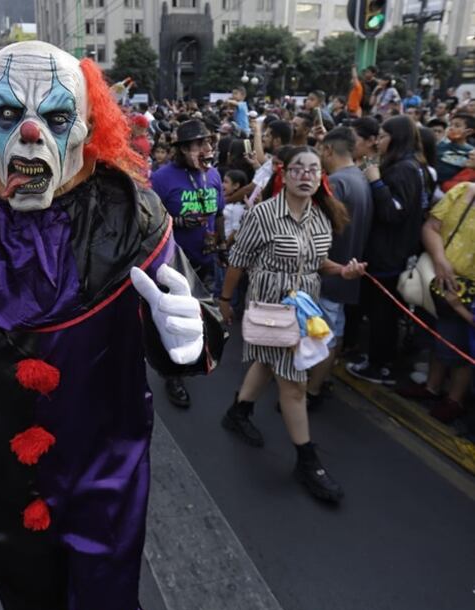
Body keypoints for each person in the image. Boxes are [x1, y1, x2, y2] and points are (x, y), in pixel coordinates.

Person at [0, 42, 223, 610]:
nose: (29, 134)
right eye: (7, 115)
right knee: (28, 606)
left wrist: (186, 339)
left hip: (106, 466)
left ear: (85, 125)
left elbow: (178, 306)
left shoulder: (132, 211)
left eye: (54, 117)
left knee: (107, 606)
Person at [218, 146, 365, 503]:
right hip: (271, 304)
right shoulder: (264, 214)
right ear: (285, 175)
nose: (306, 175)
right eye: (298, 169)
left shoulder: (321, 218)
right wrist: (224, 300)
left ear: (321, 178)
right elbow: (237, 259)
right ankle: (307, 459)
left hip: (303, 309)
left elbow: (317, 261)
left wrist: (343, 270)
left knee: (269, 362)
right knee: (294, 384)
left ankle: (238, 413)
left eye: (313, 170)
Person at [347, 115, 429, 385]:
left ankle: (378, 365)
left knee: (383, 313)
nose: (378, 141)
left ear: (396, 138)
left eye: (382, 136)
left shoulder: (404, 168)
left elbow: (394, 212)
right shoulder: (407, 165)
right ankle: (379, 359)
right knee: (381, 312)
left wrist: (376, 182)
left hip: (388, 254)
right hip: (391, 252)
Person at [150, 119, 225, 409]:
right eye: (198, 144)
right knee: (174, 323)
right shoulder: (162, 178)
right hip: (173, 264)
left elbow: (218, 212)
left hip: (205, 262)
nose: (206, 149)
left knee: (199, 317)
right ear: (182, 149)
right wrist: (179, 221)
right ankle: (173, 377)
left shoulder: (214, 174)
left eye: (208, 142)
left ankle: (195, 356)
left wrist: (219, 242)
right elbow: (149, 221)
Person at [307, 128, 374, 405]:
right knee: (334, 332)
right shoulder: (360, 178)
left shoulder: (335, 183)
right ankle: (318, 382)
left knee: (322, 338)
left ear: (328, 151)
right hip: (345, 273)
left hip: (330, 273)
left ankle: (311, 390)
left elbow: (312, 230)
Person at [403, 182, 475, 423]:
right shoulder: (463, 190)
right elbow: (432, 227)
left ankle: (454, 400)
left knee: (459, 346)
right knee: (437, 334)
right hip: (436, 278)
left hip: (467, 290)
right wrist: (441, 260)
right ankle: (432, 388)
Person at [434, 114, 475, 185]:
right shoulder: (440, 146)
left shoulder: (472, 153)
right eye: (450, 125)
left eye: (457, 126)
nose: (451, 128)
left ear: (468, 132)